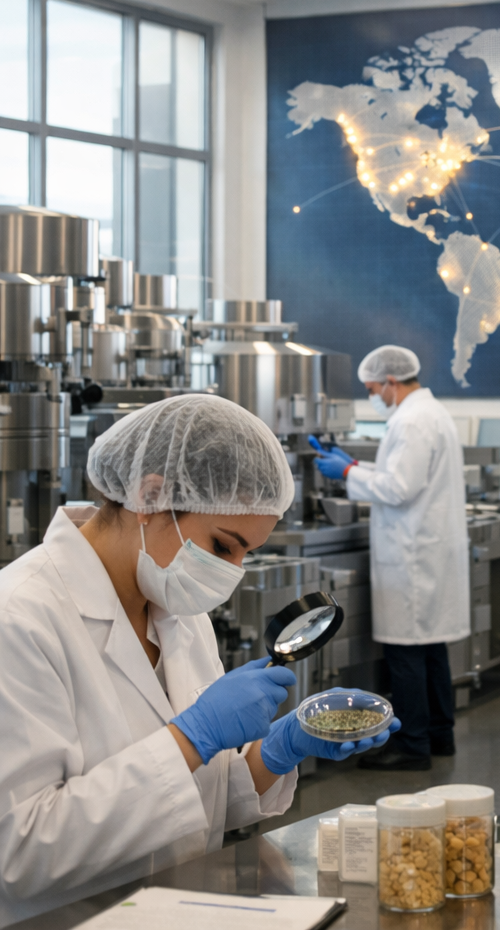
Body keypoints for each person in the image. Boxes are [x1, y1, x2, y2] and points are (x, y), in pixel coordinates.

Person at [0, 395, 394, 927]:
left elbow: (192, 800)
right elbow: (18, 853)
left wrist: (275, 752)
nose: (231, 571)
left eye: (246, 554)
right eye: (223, 545)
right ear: (151, 495)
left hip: (178, 905)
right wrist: (190, 738)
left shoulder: (178, 613)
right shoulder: (20, 618)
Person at [311, 345, 469, 771]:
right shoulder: (427, 414)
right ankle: (440, 737)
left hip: (413, 555)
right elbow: (403, 474)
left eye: (372, 389)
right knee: (432, 652)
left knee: (406, 658)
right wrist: (356, 464)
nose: (372, 397)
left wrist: (346, 474)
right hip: (425, 550)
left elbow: (399, 488)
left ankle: (413, 747)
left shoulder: (413, 420)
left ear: (391, 382)